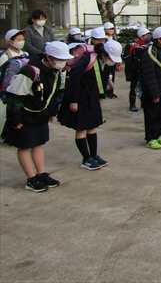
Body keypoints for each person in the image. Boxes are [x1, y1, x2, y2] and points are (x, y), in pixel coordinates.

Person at [4, 41, 72, 192]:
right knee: (24, 145)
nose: (63, 62)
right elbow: (14, 96)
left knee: (39, 143)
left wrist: (51, 112)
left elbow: (54, 94)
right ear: (48, 57)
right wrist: (15, 119)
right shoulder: (30, 71)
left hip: (41, 114)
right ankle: (31, 178)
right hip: (24, 115)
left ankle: (41, 174)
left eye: (64, 59)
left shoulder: (55, 71)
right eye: (59, 59)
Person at [58, 40, 121, 170]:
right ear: (104, 53)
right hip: (80, 99)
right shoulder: (88, 59)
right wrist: (73, 100)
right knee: (81, 128)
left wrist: (103, 93)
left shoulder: (104, 62)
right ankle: (86, 158)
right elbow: (73, 78)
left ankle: (94, 155)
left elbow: (101, 79)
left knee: (92, 126)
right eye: (110, 57)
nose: (112, 61)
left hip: (92, 98)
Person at [140, 27, 161, 149]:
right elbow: (149, 75)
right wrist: (154, 94)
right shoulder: (149, 53)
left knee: (160, 114)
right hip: (152, 91)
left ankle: (160, 134)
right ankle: (151, 137)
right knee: (151, 114)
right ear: (159, 39)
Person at [0, 29, 29, 139]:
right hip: (8, 90)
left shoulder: (25, 54)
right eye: (18, 39)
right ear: (10, 41)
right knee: (9, 112)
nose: (21, 41)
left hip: (22, 88)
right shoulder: (5, 56)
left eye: (23, 39)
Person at [124, 27, 152, 112]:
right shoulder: (134, 46)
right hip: (135, 71)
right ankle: (132, 105)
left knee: (145, 87)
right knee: (134, 87)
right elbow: (128, 60)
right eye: (147, 35)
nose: (149, 37)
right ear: (142, 36)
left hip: (145, 70)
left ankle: (144, 103)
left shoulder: (149, 45)